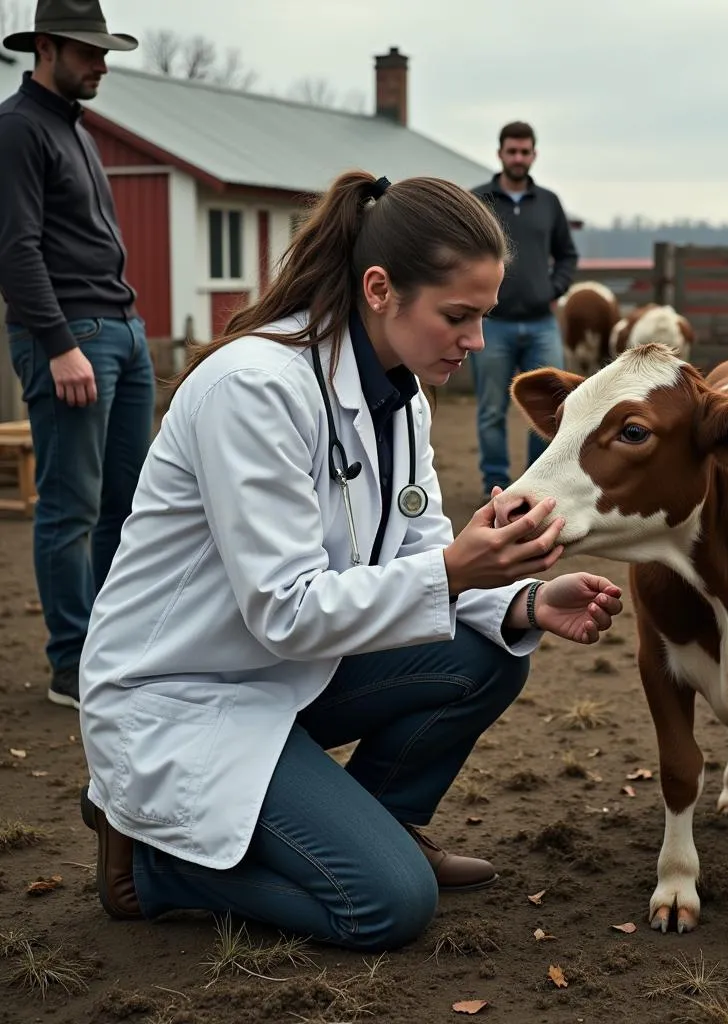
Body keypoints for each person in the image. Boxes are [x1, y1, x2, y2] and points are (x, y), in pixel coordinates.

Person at [75, 170, 624, 952]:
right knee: (387, 906)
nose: (476, 343)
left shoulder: (401, 397)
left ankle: (384, 824)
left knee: (490, 653)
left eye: (484, 319)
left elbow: (419, 550)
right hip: (182, 694)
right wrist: (459, 571)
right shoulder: (253, 389)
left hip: (279, 679)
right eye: (458, 317)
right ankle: (154, 867)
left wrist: (525, 600)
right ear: (379, 289)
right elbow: (286, 611)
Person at [0, 0, 154, 711]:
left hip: (121, 330)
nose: (101, 65)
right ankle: (71, 662)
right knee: (69, 505)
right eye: (89, 52)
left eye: (104, 52)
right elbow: (16, 250)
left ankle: (111, 647)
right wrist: (60, 345)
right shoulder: (18, 129)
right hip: (72, 339)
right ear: (46, 47)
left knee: (126, 504)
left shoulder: (73, 129)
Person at [470, 121, 578, 501]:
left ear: (534, 155)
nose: (518, 157)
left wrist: (554, 288)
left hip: (540, 324)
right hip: (491, 324)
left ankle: (539, 482)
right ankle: (494, 485)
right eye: (512, 151)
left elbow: (567, 255)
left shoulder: (549, 203)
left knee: (551, 408)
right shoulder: (478, 201)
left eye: (525, 151)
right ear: (500, 153)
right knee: (491, 409)